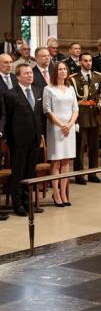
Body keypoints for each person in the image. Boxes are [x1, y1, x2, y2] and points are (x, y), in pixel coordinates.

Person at [4, 64, 45, 216]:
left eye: (30, 73)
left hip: (34, 138)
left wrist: (41, 134)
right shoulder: (10, 94)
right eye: (26, 73)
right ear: (18, 76)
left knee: (30, 172)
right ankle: (18, 204)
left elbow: (39, 115)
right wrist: (10, 138)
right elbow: (7, 118)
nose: (30, 75)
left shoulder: (37, 90)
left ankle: (28, 203)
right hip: (18, 140)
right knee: (18, 173)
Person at [44, 61, 79, 207]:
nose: (63, 71)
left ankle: (64, 192)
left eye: (65, 69)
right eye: (60, 69)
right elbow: (47, 110)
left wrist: (70, 125)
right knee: (56, 160)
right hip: (55, 128)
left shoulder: (70, 88)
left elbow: (75, 109)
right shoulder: (48, 89)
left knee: (66, 161)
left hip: (69, 129)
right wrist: (61, 125)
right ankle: (56, 193)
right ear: (55, 72)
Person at [69, 53, 101, 185]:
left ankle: (93, 173)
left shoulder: (97, 76)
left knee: (94, 146)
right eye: (85, 61)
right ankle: (79, 175)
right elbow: (72, 100)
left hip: (94, 115)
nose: (88, 63)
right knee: (80, 147)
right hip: (81, 115)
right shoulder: (73, 79)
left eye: (90, 61)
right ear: (80, 62)